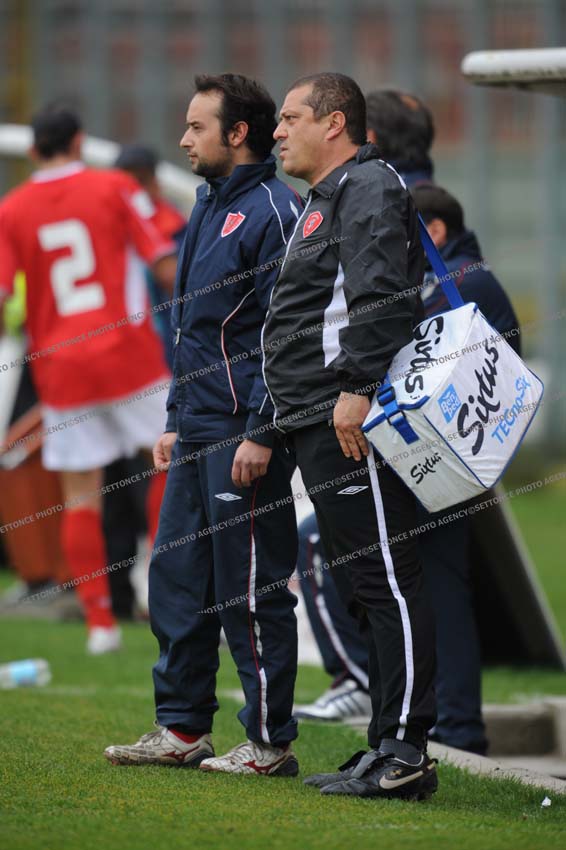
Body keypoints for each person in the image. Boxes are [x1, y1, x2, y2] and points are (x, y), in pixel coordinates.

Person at [104, 74, 301, 776]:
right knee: (177, 580)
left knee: (248, 590)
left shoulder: (276, 211)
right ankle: (183, 728)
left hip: (243, 432)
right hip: (195, 428)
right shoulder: (208, 203)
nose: (184, 139)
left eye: (196, 126)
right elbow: (194, 330)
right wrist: (174, 418)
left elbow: (287, 334)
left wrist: (262, 430)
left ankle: (270, 743)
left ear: (236, 134)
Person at [296, 181, 521, 754]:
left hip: (443, 458)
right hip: (447, 456)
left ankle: (393, 698)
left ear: (433, 231)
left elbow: (416, 361)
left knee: (379, 568)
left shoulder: (463, 280)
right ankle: (445, 722)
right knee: (432, 585)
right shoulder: (461, 274)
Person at [263, 72, 438, 800]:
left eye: (290, 117)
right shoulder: (328, 194)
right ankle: (382, 746)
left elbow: (382, 295)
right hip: (317, 417)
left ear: (334, 123)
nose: (278, 131)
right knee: (364, 584)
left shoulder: (366, 185)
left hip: (348, 418)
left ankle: (407, 752)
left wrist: (357, 386)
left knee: (387, 580)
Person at [0, 105, 177, 653]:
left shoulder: (11, 209)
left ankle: (100, 623)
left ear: (34, 151)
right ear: (79, 142)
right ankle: (165, 589)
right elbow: (164, 262)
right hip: (128, 354)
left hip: (61, 367)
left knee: (80, 494)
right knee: (173, 459)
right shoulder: (115, 186)